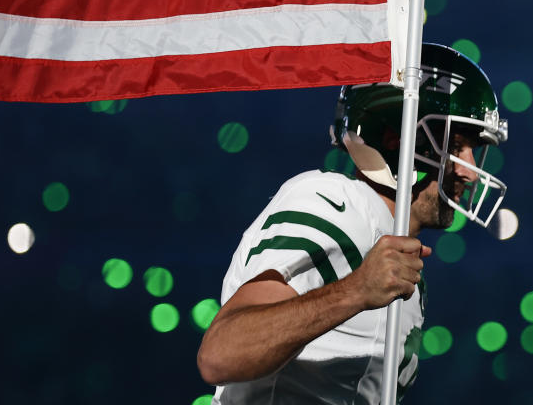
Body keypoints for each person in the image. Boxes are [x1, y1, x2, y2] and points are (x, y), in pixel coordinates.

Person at [197, 43, 509, 403]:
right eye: (456, 146)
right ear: (395, 140)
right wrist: (355, 291)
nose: (470, 172)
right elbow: (221, 354)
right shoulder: (336, 203)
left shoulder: (397, 260)